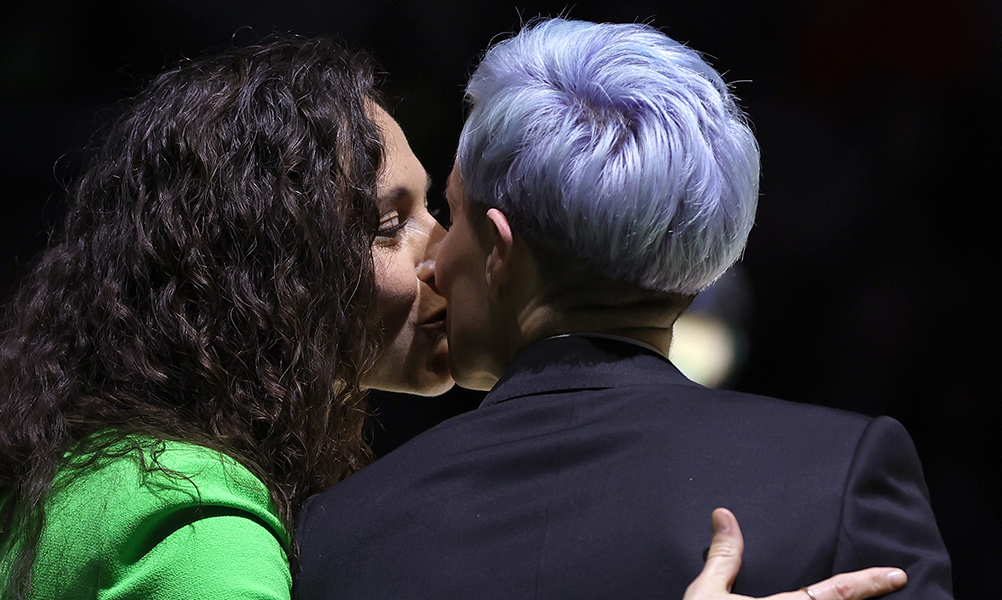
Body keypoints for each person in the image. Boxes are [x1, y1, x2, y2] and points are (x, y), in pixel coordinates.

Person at [0, 34, 901, 600]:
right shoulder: (202, 531)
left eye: (440, 210)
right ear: (270, 270)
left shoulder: (95, 471)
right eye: (393, 223)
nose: (441, 253)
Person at [294, 19, 953, 600]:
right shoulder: (833, 480)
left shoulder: (340, 533)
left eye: (455, 215)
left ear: (499, 249)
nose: (435, 261)